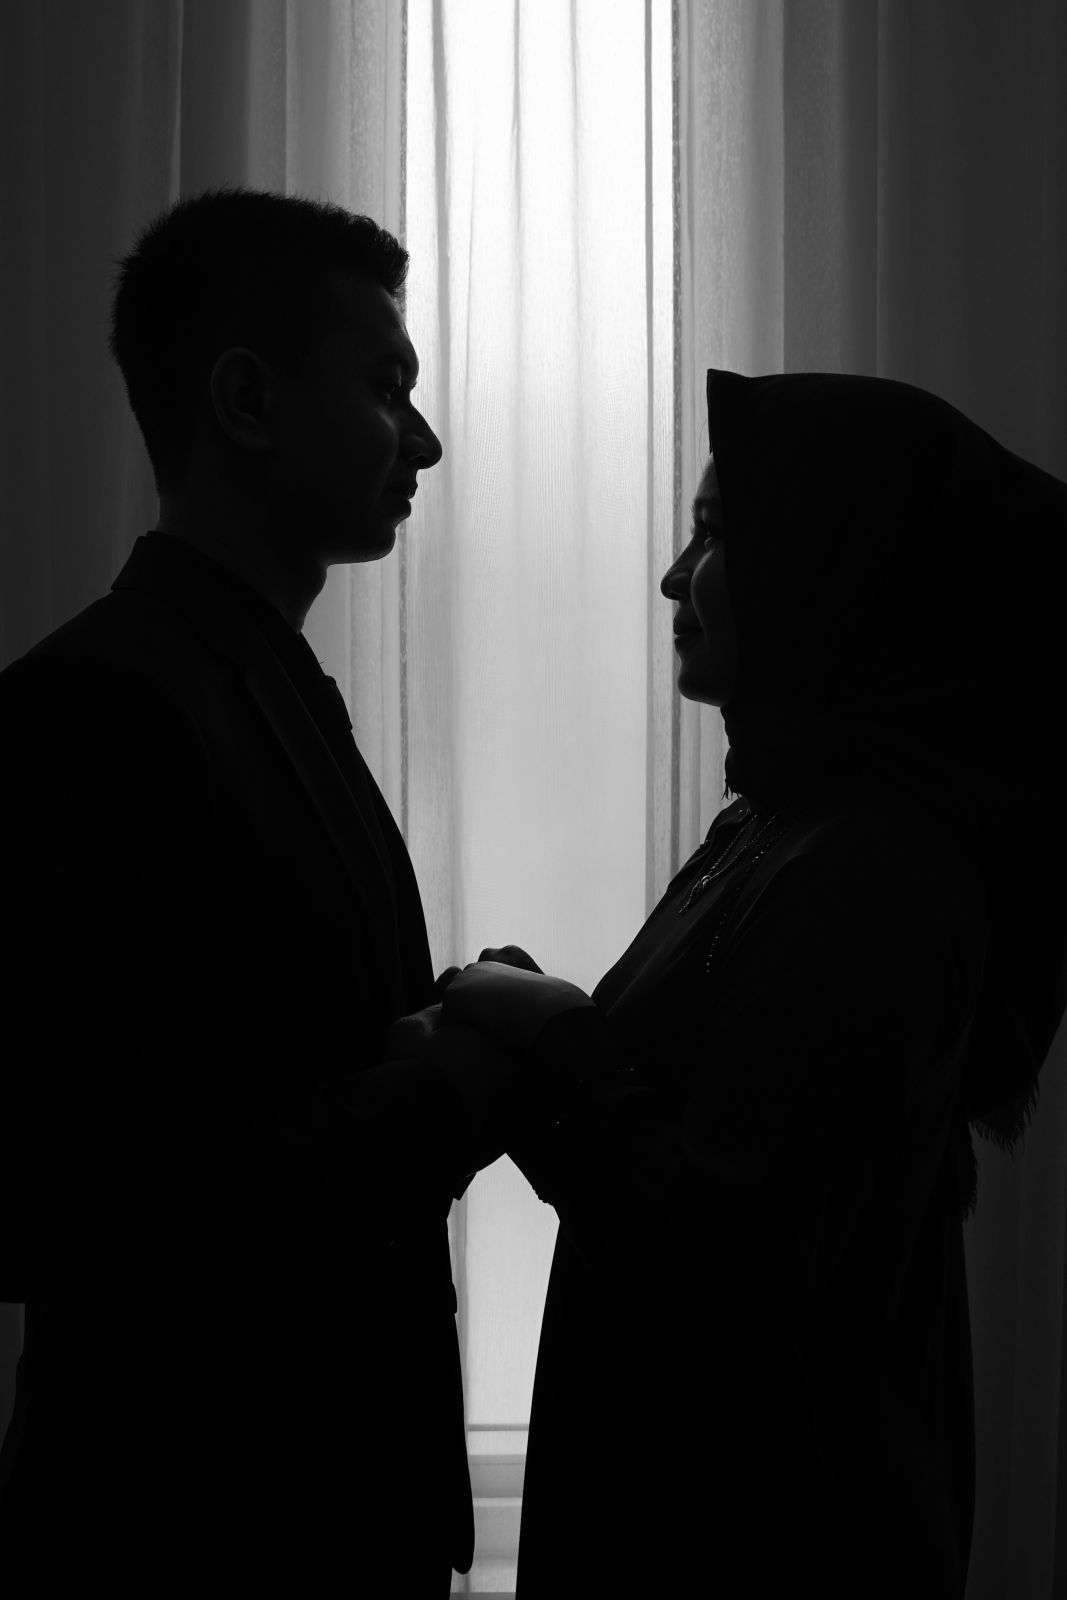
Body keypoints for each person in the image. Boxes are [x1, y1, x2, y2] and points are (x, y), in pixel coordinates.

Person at [401, 369, 1067, 1596]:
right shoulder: (778, 822)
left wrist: (551, 1031)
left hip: (767, 1532)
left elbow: (724, 1249)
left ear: (832, 568)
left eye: (714, 535)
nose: (673, 577)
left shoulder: (877, 867)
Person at [0, 186, 574, 1595]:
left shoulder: (252, 687)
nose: (421, 441)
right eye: (385, 386)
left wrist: (438, 1020)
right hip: (194, 1531)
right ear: (247, 401)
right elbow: (73, 1189)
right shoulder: (102, 707)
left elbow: (261, 1055)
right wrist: (456, 1082)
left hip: (327, 1512)